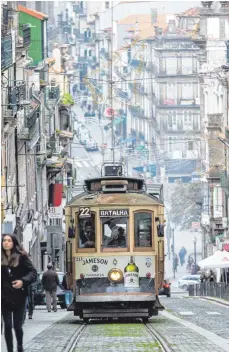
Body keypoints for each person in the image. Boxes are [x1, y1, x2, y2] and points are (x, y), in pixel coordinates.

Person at [1, 233, 37, 352]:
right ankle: (10, 349)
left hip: (19, 296)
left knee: (17, 326)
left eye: (9, 240)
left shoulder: (21, 257)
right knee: (7, 325)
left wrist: (22, 281)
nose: (6, 242)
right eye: (4, 240)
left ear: (13, 243)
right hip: (4, 296)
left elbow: (33, 272)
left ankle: (20, 346)